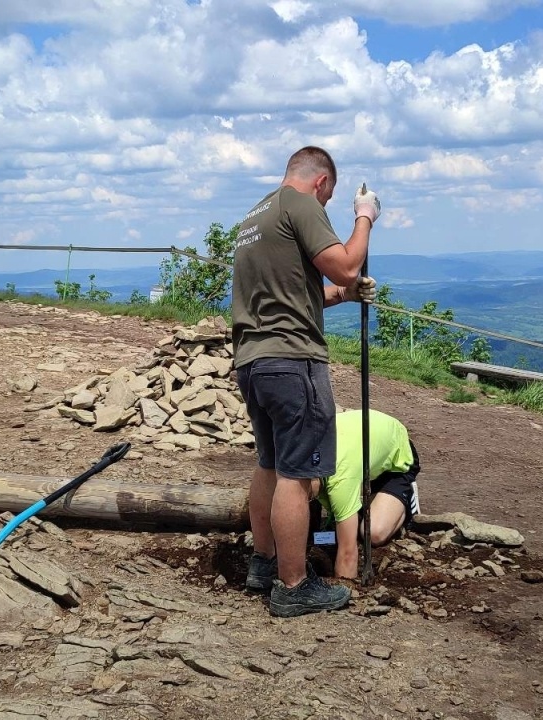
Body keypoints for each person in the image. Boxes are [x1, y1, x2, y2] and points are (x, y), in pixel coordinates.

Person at [232, 146, 381, 618]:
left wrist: (343, 295)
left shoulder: (256, 215)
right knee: (299, 476)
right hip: (294, 361)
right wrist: (365, 217)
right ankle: (294, 587)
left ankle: (264, 562)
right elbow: (346, 263)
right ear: (320, 182)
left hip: (254, 361)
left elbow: (297, 293)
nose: (326, 208)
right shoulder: (300, 204)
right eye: (330, 199)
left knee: (271, 465)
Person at [314, 409, 420, 581]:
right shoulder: (290, 463)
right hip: (361, 448)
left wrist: (343, 591)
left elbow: (348, 553)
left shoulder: (340, 478)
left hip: (395, 457)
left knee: (372, 533)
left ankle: (407, 498)